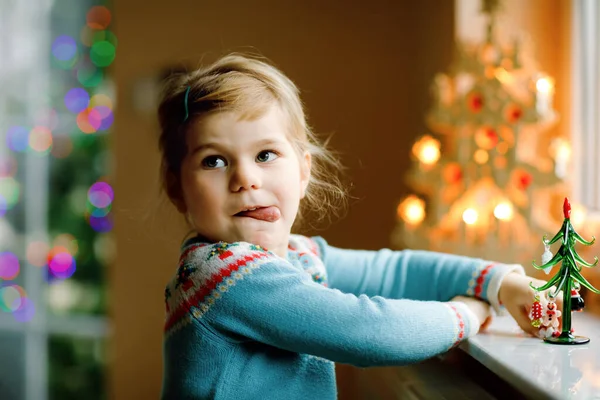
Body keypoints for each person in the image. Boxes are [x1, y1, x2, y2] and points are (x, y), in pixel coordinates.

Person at [157, 53, 552, 399]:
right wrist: (465, 314)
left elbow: (394, 272)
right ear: (178, 189)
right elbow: (369, 333)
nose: (245, 179)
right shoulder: (220, 276)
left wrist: (497, 282)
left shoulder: (298, 256)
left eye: (265, 154)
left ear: (303, 172)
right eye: (214, 161)